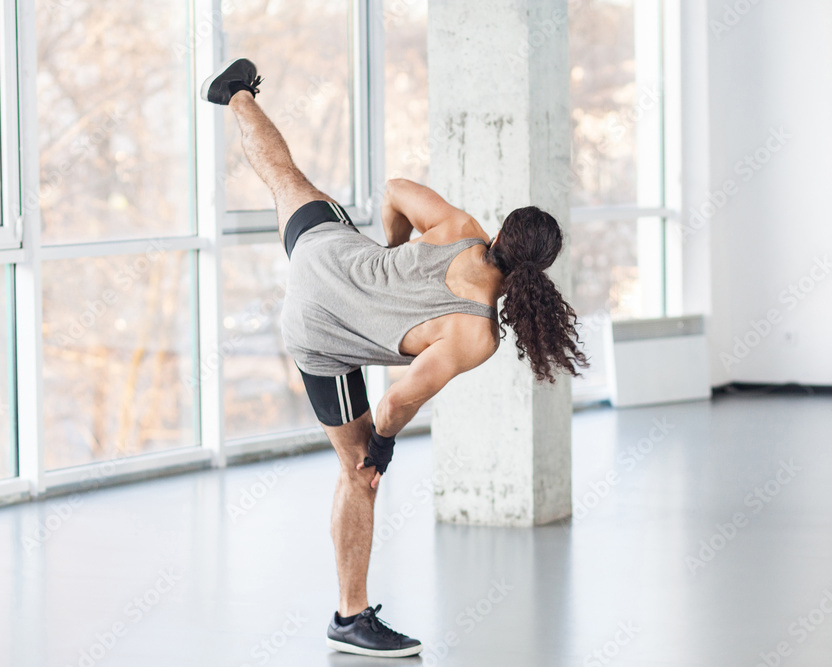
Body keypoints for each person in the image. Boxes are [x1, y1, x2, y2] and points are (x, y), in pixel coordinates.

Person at [201, 58, 587, 658]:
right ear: (537, 273)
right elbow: (396, 401)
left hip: (325, 255)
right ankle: (349, 617)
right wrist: (380, 449)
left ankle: (237, 98)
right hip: (316, 334)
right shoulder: (475, 333)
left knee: (284, 176)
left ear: (504, 231)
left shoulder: (461, 226)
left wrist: (391, 249)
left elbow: (398, 189)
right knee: (358, 477)